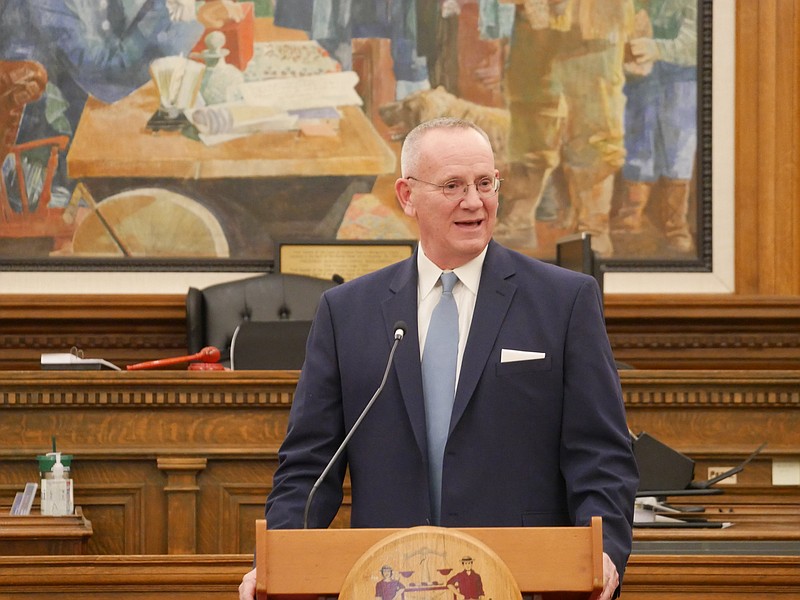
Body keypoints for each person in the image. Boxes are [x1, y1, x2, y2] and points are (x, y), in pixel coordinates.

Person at [238, 117, 638, 600]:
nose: (474, 201)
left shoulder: (564, 301)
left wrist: (605, 554)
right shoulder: (347, 312)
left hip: (527, 581)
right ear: (407, 196)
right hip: (388, 583)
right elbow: (308, 465)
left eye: (485, 183)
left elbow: (601, 455)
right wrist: (279, 562)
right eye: (453, 185)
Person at [613, 0, 697, 254]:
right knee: (637, 145)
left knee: (678, 149)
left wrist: (658, 48)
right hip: (639, 79)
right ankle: (631, 216)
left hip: (682, 79)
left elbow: (699, 40)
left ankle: (675, 225)